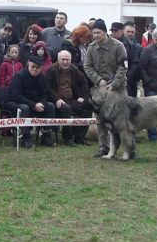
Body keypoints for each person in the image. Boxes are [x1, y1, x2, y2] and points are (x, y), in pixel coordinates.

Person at [83, 19, 128, 156]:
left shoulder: (118, 46)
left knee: (123, 118)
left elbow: (123, 66)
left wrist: (114, 84)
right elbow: (87, 66)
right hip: (100, 88)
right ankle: (103, 148)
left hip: (118, 86)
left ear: (105, 32)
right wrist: (98, 80)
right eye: (94, 33)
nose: (96, 35)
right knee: (100, 119)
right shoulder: (91, 47)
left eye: (98, 33)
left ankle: (128, 148)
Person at [5, 56, 56, 147]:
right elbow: (16, 96)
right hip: (13, 102)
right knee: (24, 108)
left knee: (50, 106)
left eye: (38, 67)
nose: (35, 69)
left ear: (41, 68)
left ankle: (46, 135)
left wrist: (42, 104)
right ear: (28, 65)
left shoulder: (42, 77)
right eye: (33, 66)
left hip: (33, 103)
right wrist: (34, 105)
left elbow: (44, 94)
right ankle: (26, 138)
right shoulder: (19, 76)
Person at [45, 50, 92, 146]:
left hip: (71, 99)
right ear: (58, 60)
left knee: (88, 106)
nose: (65, 62)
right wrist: (57, 99)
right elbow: (47, 88)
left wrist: (82, 96)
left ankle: (79, 136)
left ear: (70, 60)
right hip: (55, 101)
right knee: (66, 108)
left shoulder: (74, 69)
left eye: (67, 60)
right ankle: (68, 137)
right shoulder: (51, 70)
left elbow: (84, 83)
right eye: (63, 60)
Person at [117, 21, 143, 96]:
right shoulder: (118, 45)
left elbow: (139, 64)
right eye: (128, 31)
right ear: (123, 32)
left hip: (132, 81)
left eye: (132, 32)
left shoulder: (139, 48)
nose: (130, 34)